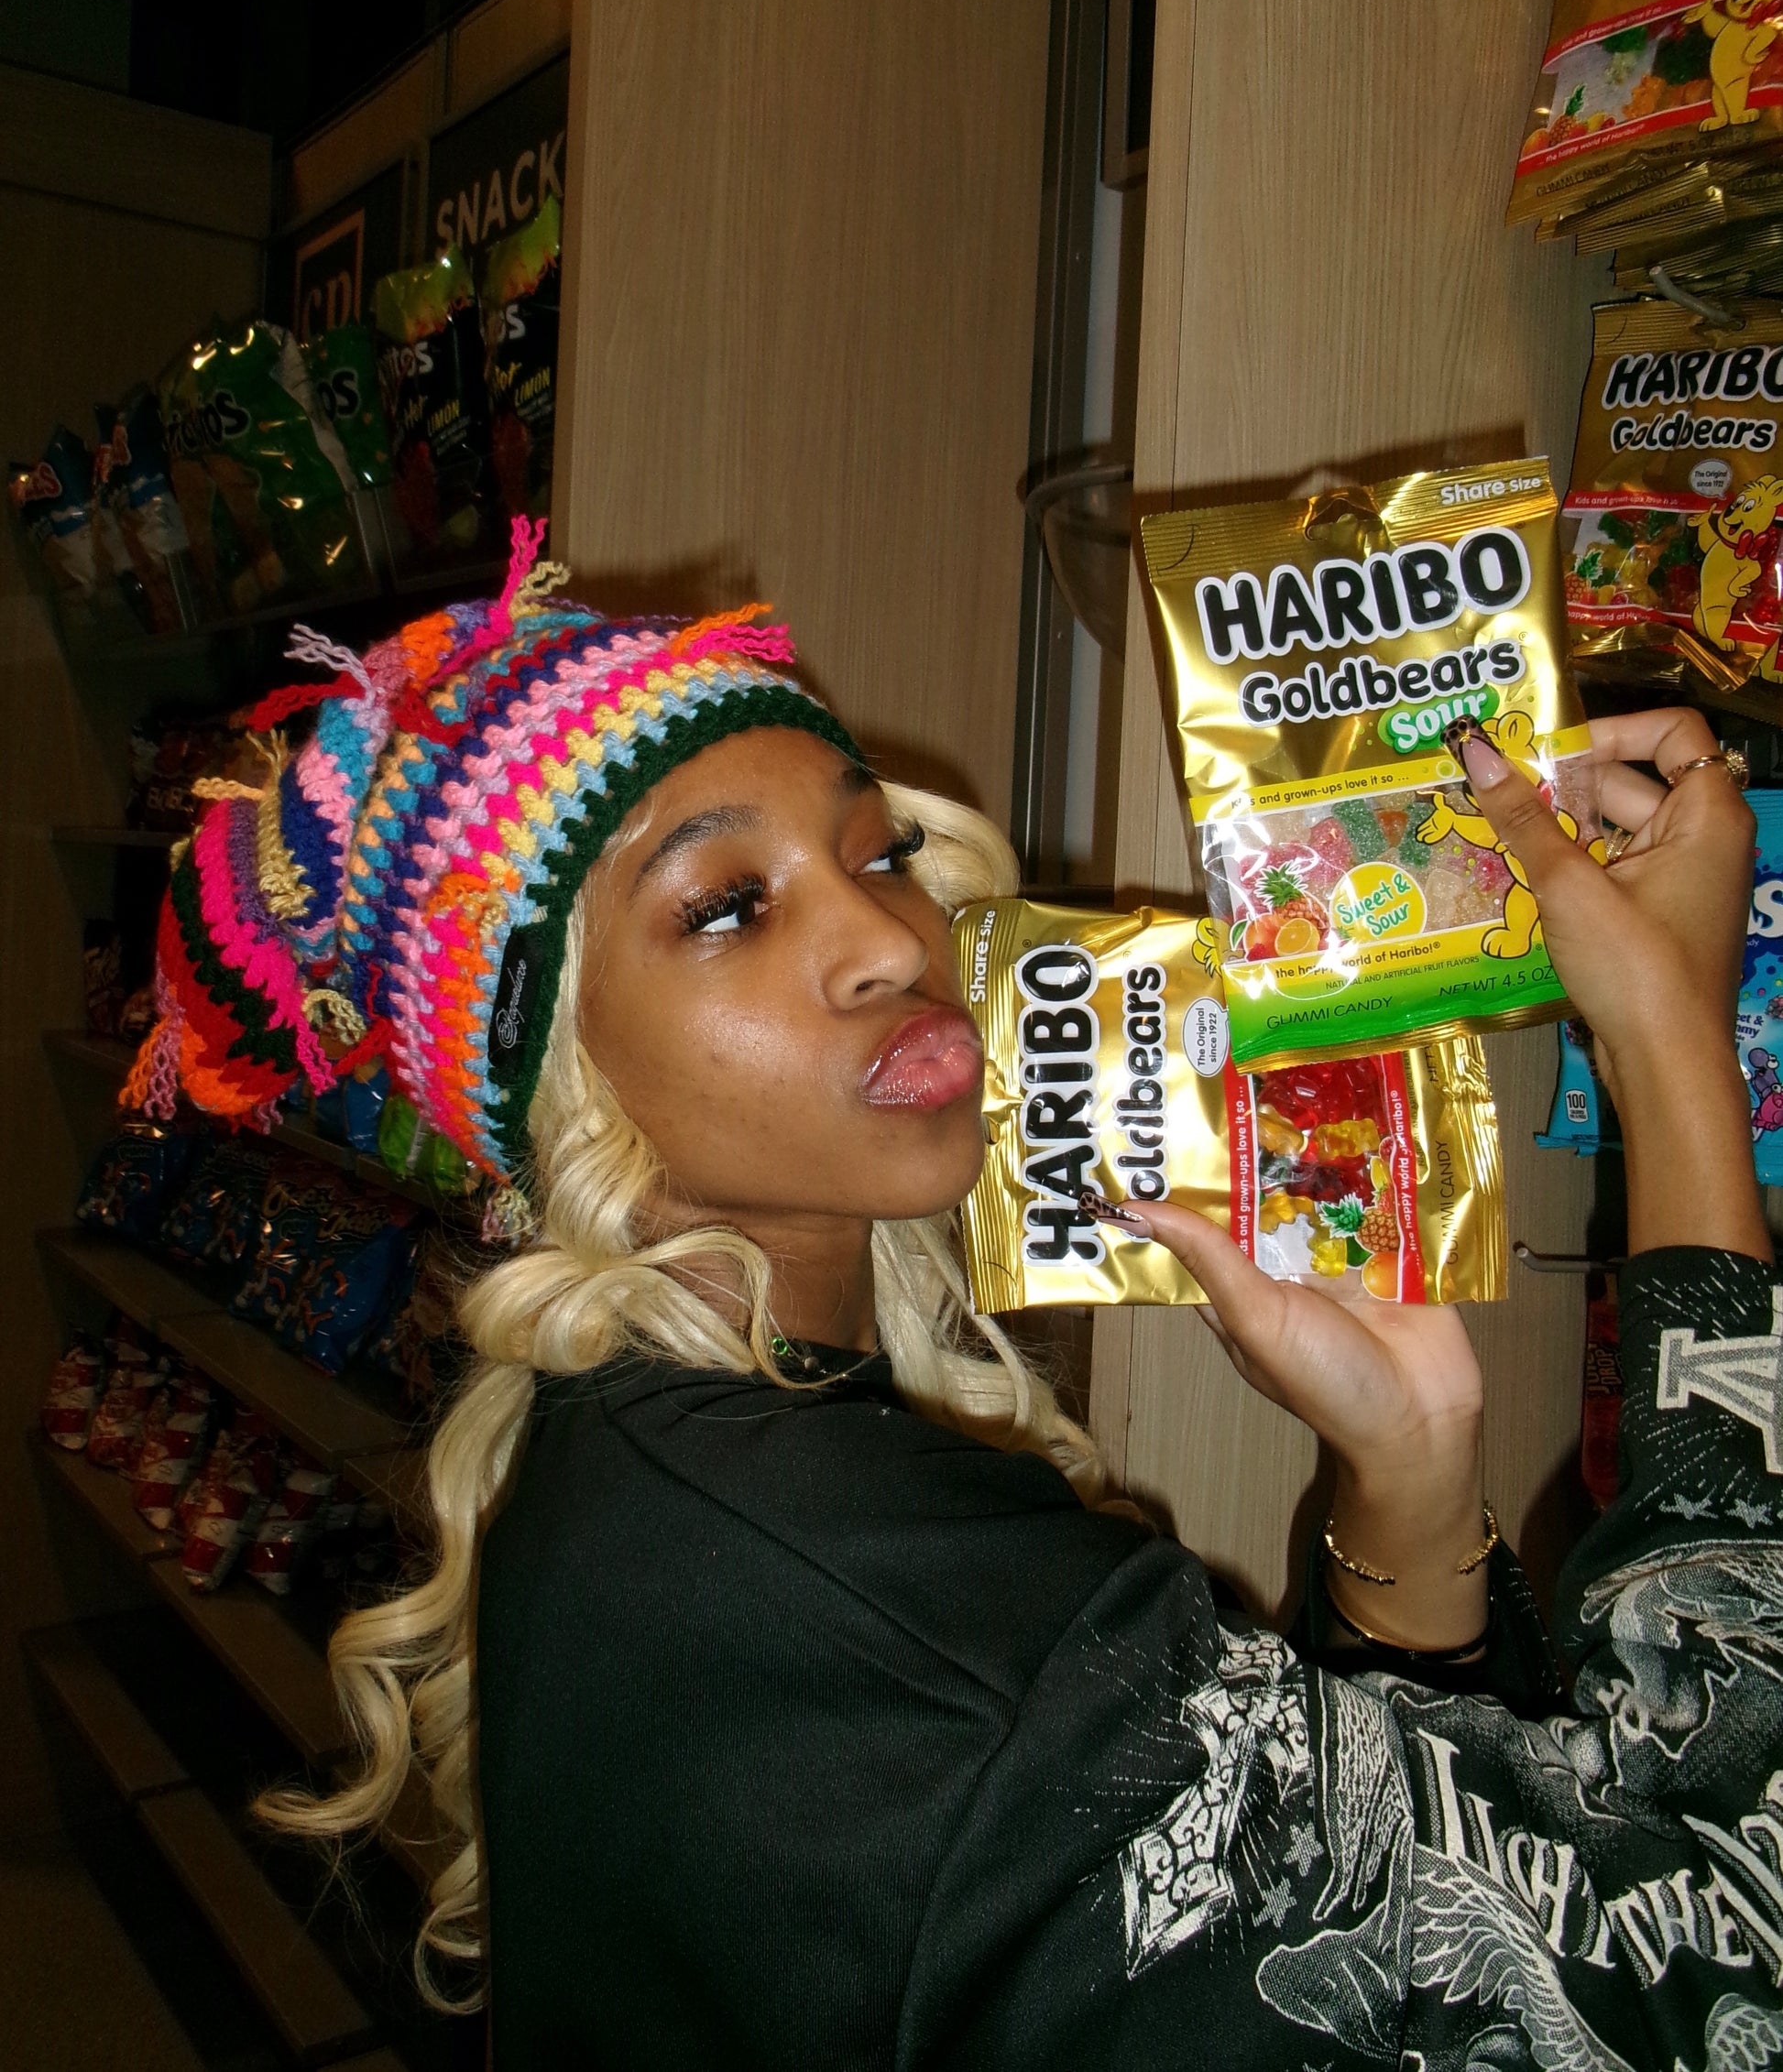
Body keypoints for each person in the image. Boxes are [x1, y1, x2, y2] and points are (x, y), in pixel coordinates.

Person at [131, 528, 1783, 2066]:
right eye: (726, 906)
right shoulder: (845, 1590)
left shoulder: (706, 1477)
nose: (883, 938)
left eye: (878, 853)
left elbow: (1355, 1936)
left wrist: (1403, 1492)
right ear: (558, 1075)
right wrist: (1670, 1052)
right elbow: (1727, 1947)